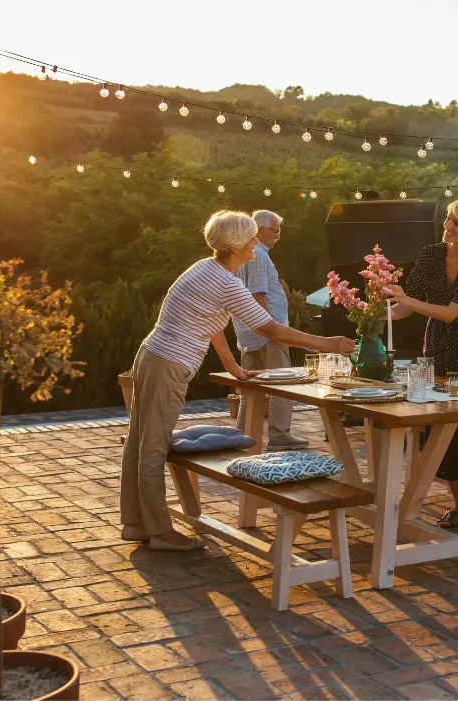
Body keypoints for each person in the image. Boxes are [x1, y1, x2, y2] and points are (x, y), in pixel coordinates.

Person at [121, 210, 354, 551]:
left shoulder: (207, 268)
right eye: (251, 238)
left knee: (139, 441)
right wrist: (327, 343)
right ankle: (158, 532)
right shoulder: (225, 281)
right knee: (153, 446)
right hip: (168, 363)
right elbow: (270, 329)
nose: (256, 242)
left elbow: (213, 323)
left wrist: (233, 366)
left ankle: (135, 523)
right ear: (237, 245)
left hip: (153, 356)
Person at [384, 198, 458, 533]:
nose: (448, 226)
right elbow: (407, 307)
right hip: (436, 347)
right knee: (439, 428)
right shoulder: (431, 254)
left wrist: (408, 301)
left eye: (456, 223)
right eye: (448, 219)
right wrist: (372, 314)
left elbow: (449, 312)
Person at [234, 210, 308, 450]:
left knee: (250, 389)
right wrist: (270, 329)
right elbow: (256, 293)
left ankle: (243, 436)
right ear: (260, 230)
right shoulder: (259, 255)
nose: (278, 236)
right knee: (281, 383)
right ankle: (280, 435)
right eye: (275, 231)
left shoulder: (241, 255)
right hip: (267, 332)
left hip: (246, 330)